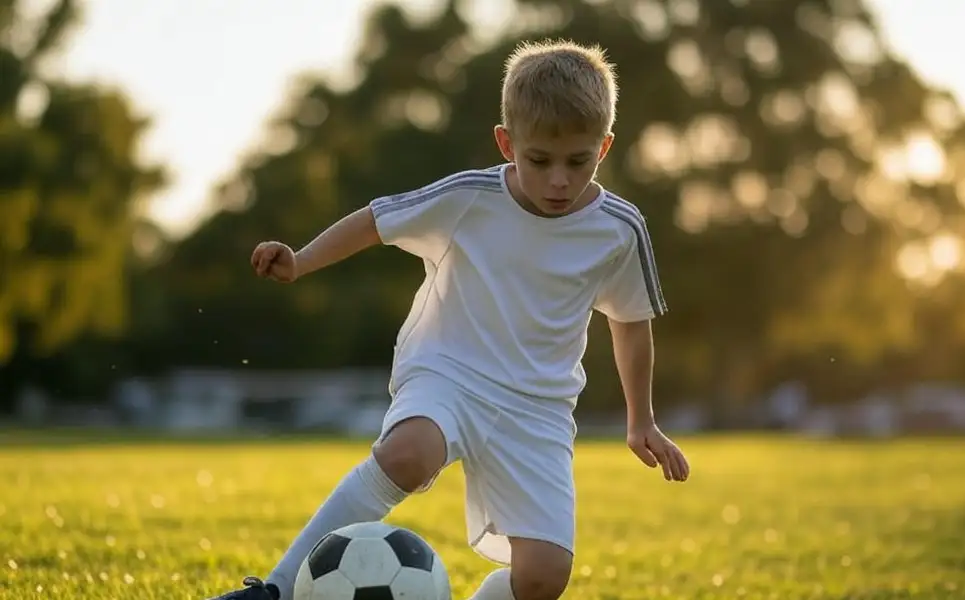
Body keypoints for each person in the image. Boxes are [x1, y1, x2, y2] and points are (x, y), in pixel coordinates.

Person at [208, 38, 690, 600]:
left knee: (543, 577)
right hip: (449, 373)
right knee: (407, 455)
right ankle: (273, 592)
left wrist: (641, 420)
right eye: (539, 160)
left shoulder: (620, 229)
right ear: (507, 144)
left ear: (603, 148)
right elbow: (375, 221)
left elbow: (631, 322)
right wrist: (301, 260)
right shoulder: (469, 198)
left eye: (577, 161)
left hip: (539, 408)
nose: (559, 179)